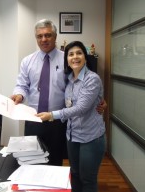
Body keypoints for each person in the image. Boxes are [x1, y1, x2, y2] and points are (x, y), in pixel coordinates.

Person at [11, 19, 106, 166]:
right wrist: (19, 95)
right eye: (39, 36)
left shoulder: (67, 59)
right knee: (30, 161)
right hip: (33, 119)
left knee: (54, 162)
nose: (44, 39)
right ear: (36, 38)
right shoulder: (27, 61)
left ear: (55, 36)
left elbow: (82, 84)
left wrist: (99, 100)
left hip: (58, 120)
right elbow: (22, 85)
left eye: (48, 35)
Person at [36, 41, 106, 192]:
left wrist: (51, 115)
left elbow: (81, 108)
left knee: (87, 179)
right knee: (74, 174)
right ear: (67, 59)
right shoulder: (69, 79)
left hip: (91, 137)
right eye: (71, 54)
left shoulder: (92, 79)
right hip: (72, 135)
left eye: (79, 53)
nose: (75, 57)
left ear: (85, 57)